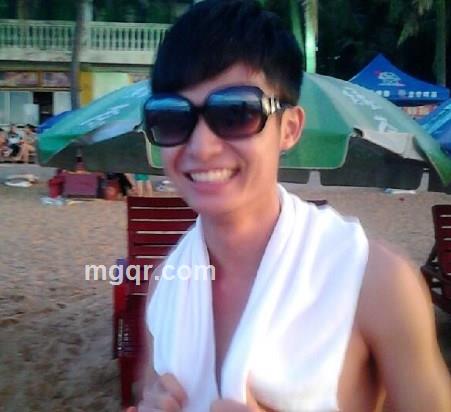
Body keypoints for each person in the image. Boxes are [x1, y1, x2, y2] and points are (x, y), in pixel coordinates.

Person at [131, 1, 451, 411]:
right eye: (172, 117)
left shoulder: (377, 282)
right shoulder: (166, 284)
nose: (201, 147)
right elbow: (148, 390)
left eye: (236, 112)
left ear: (290, 129)